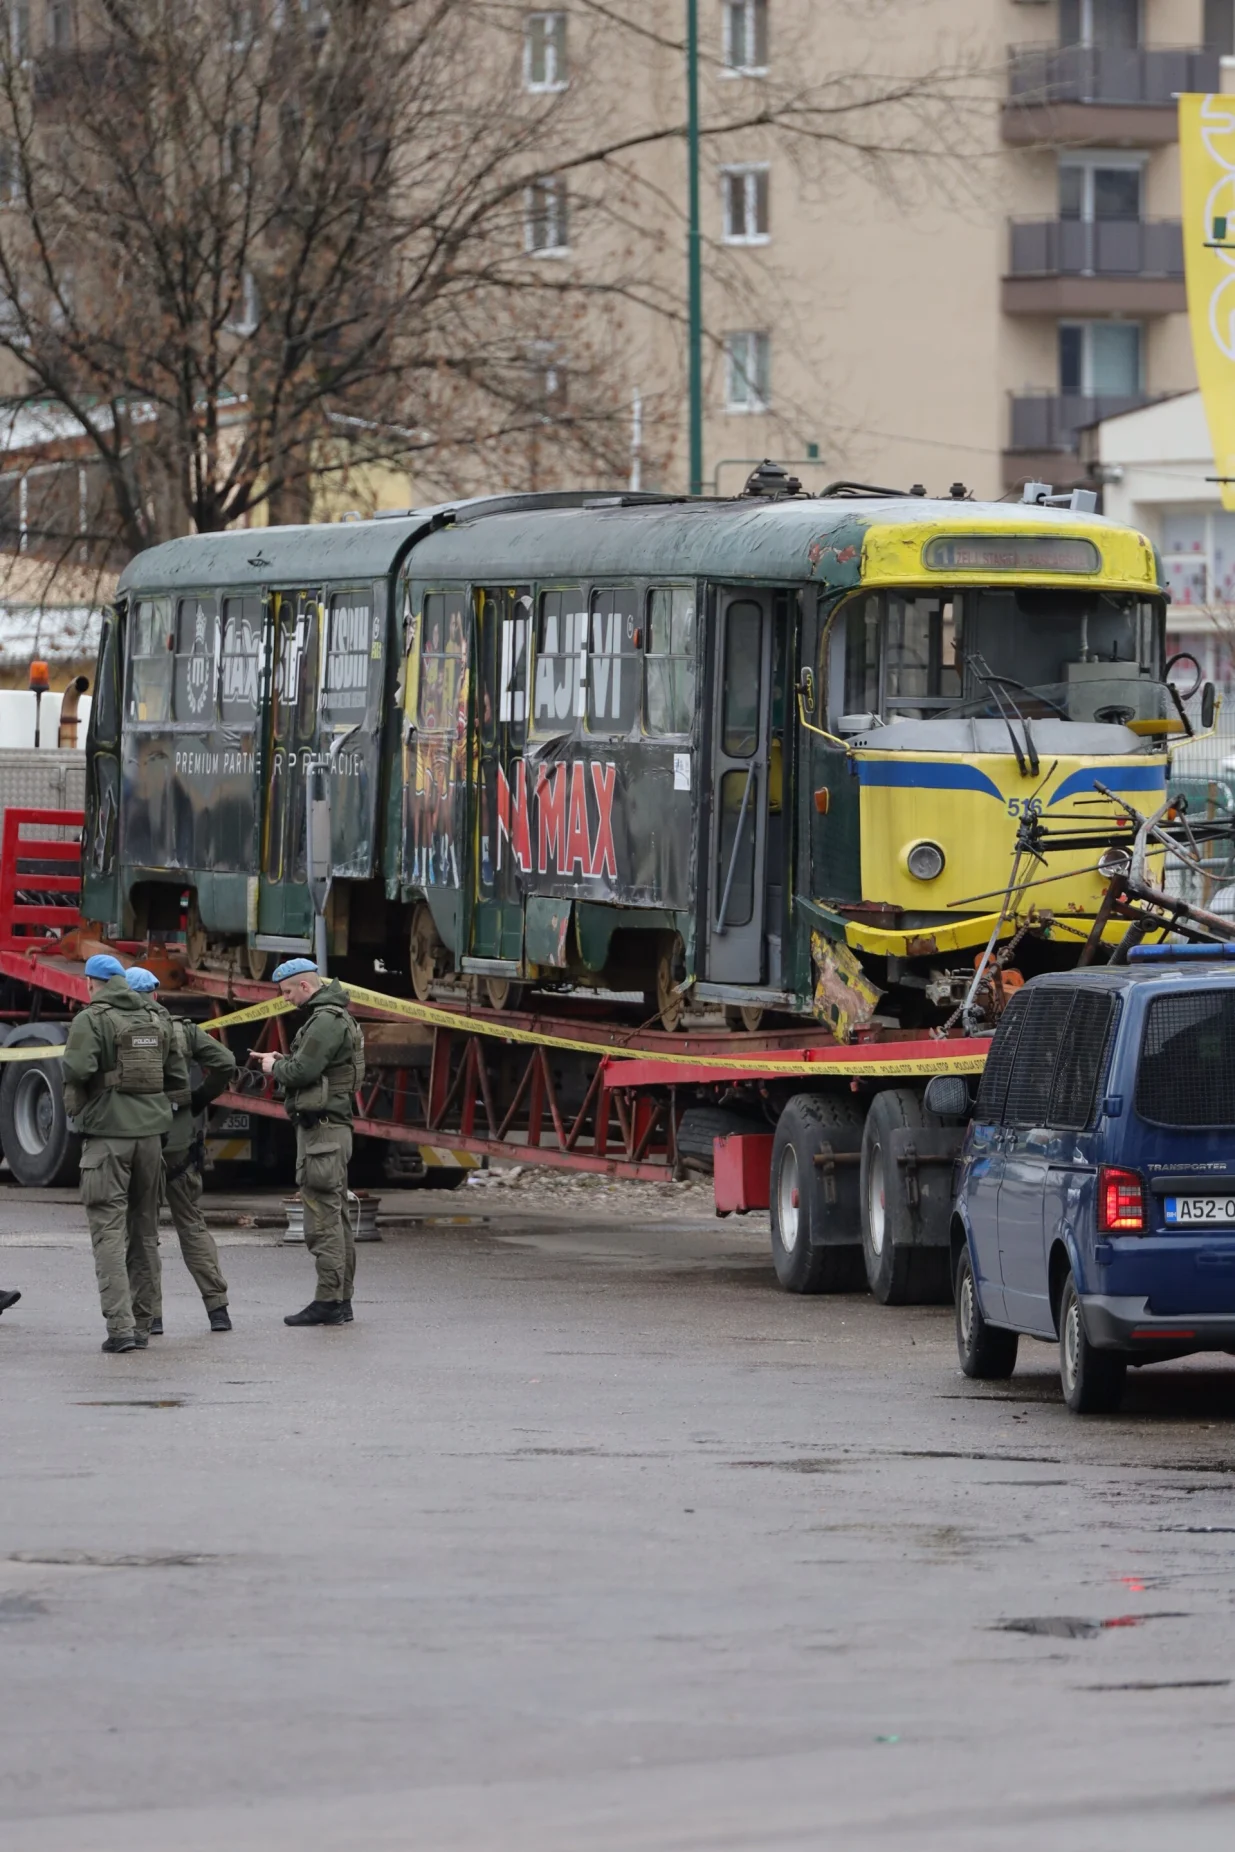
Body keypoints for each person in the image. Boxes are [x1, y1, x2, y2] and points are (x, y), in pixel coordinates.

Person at [63, 953, 188, 1354]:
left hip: (107, 1139)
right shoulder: (156, 1018)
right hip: (151, 1138)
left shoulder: (91, 1019)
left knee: (108, 1234)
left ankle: (120, 1329)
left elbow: (77, 1070)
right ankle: (146, 1323)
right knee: (145, 1232)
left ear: (90, 983)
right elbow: (177, 1078)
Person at [125, 968, 237, 1334]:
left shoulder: (119, 1030)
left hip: (139, 1141)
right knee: (191, 1224)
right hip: (179, 1144)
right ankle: (217, 1309)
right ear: (156, 995)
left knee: (143, 1230)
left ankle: (151, 1316)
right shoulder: (182, 1029)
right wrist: (196, 1100)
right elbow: (225, 1063)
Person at [255, 959, 365, 1327]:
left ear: (305, 987)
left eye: (287, 992)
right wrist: (284, 1061)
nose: (285, 999)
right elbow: (314, 1065)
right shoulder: (334, 1017)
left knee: (322, 1220)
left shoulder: (325, 1021)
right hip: (330, 1130)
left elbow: (304, 1071)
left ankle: (329, 1301)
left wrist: (275, 1068)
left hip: (323, 1132)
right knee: (336, 1218)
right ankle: (340, 1299)